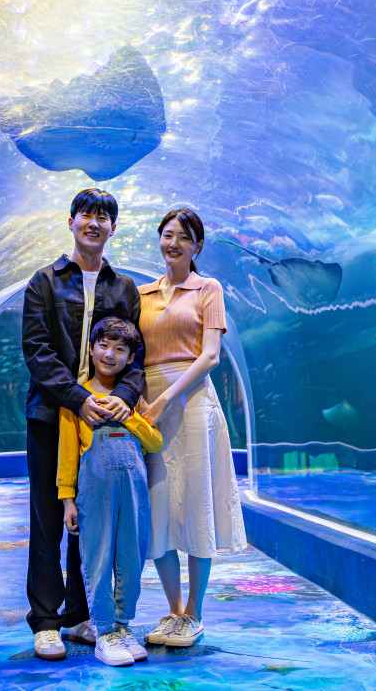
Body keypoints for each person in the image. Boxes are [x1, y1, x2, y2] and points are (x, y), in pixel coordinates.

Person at [21, 188, 144, 661]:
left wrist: (120, 400)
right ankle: (45, 621)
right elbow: (37, 351)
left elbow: (136, 356)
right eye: (86, 215)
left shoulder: (124, 288)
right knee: (48, 517)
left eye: (103, 217)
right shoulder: (44, 281)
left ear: (113, 227)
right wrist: (78, 398)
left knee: (90, 519)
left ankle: (78, 616)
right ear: (70, 221)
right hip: (51, 415)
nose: (94, 223)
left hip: (104, 420)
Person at [137, 207, 246, 648]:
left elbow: (210, 355)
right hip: (148, 408)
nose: (174, 243)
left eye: (184, 236)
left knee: (197, 505)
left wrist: (167, 397)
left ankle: (195, 614)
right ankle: (174, 610)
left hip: (194, 403)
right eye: (168, 234)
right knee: (158, 508)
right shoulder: (140, 294)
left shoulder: (208, 288)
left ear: (197, 245)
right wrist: (141, 400)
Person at [58, 317, 163, 666]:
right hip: (94, 493)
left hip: (133, 494)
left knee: (132, 556)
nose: (109, 354)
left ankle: (123, 627)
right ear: (91, 349)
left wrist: (129, 414)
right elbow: (67, 455)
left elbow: (154, 441)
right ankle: (103, 631)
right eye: (103, 345)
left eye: (120, 349)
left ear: (130, 358)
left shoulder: (132, 398)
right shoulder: (77, 400)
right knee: (97, 558)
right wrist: (67, 500)